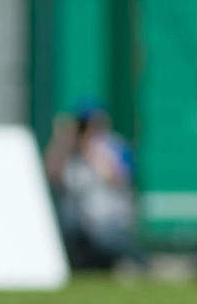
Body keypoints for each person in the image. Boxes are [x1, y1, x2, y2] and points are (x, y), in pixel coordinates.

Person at [44, 101, 146, 271]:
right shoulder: (69, 154)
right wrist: (62, 140)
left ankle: (136, 264)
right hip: (78, 228)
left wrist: (90, 149)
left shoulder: (114, 146)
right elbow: (52, 175)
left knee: (106, 238)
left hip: (110, 223)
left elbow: (116, 177)